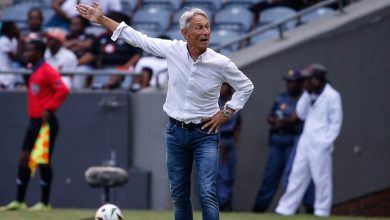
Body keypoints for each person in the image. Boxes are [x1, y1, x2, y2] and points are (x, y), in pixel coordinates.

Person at [76, 2, 254, 220]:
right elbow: (136, 38)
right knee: (179, 194)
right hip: (175, 133)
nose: (206, 32)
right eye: (199, 27)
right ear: (185, 33)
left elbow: (246, 86)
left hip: (205, 134)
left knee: (207, 192)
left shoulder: (220, 62)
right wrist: (102, 19)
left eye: (207, 27)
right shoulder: (173, 49)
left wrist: (225, 112)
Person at [1, 40, 70, 211]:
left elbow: (63, 89)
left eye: (30, 50)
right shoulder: (34, 69)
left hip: (46, 122)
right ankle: (19, 200)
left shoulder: (47, 70)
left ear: (39, 52)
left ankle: (44, 203)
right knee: (24, 158)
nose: (27, 53)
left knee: (42, 160)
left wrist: (49, 108)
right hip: (33, 121)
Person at [275, 64, 343, 217]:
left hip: (321, 143)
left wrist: (325, 143)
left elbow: (336, 122)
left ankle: (322, 210)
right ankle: (286, 208)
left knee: (321, 179)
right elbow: (301, 114)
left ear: (317, 80)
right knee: (296, 175)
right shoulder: (309, 94)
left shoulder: (332, 96)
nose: (304, 83)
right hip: (306, 141)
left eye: (307, 80)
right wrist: (306, 95)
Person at [252, 69, 315, 213]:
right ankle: (258, 210)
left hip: (293, 141)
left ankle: (296, 209)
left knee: (294, 176)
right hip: (277, 141)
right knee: (270, 177)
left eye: (292, 82)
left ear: (300, 83)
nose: (289, 84)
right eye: (288, 81)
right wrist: (278, 121)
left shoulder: (304, 98)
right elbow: (271, 116)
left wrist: (284, 121)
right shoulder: (282, 97)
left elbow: (297, 118)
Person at [216, 83, 242, 212]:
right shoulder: (215, 102)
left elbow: (238, 123)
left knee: (230, 173)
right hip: (219, 140)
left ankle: (227, 202)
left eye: (224, 86)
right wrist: (219, 142)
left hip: (230, 140)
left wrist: (235, 138)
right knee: (222, 174)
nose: (222, 88)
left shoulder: (233, 103)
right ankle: (222, 203)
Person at [0, 21, 23, 89]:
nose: (18, 30)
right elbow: (14, 58)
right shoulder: (3, 41)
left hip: (11, 71)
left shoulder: (14, 40)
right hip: (3, 71)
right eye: (15, 28)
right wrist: (19, 40)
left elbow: (19, 54)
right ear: (9, 30)